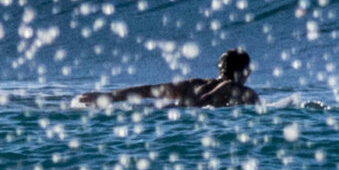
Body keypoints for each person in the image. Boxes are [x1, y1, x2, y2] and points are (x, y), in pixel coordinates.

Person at [77, 47, 257, 108]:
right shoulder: (240, 91)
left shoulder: (193, 84)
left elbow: (148, 90)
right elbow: (207, 100)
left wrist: (109, 96)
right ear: (246, 71)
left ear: (220, 68)